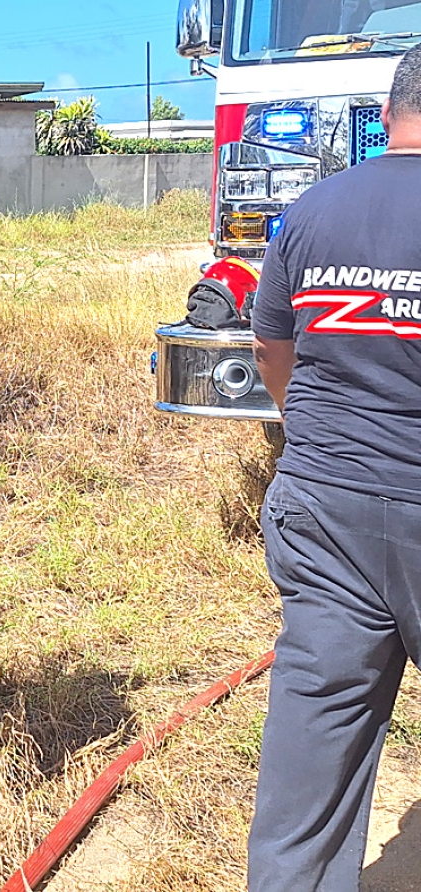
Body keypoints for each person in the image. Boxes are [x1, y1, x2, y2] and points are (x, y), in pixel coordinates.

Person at [248, 44, 421, 892]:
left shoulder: (311, 209)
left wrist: (310, 430)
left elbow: (272, 345)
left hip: (323, 506)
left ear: (387, 116)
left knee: (311, 760)